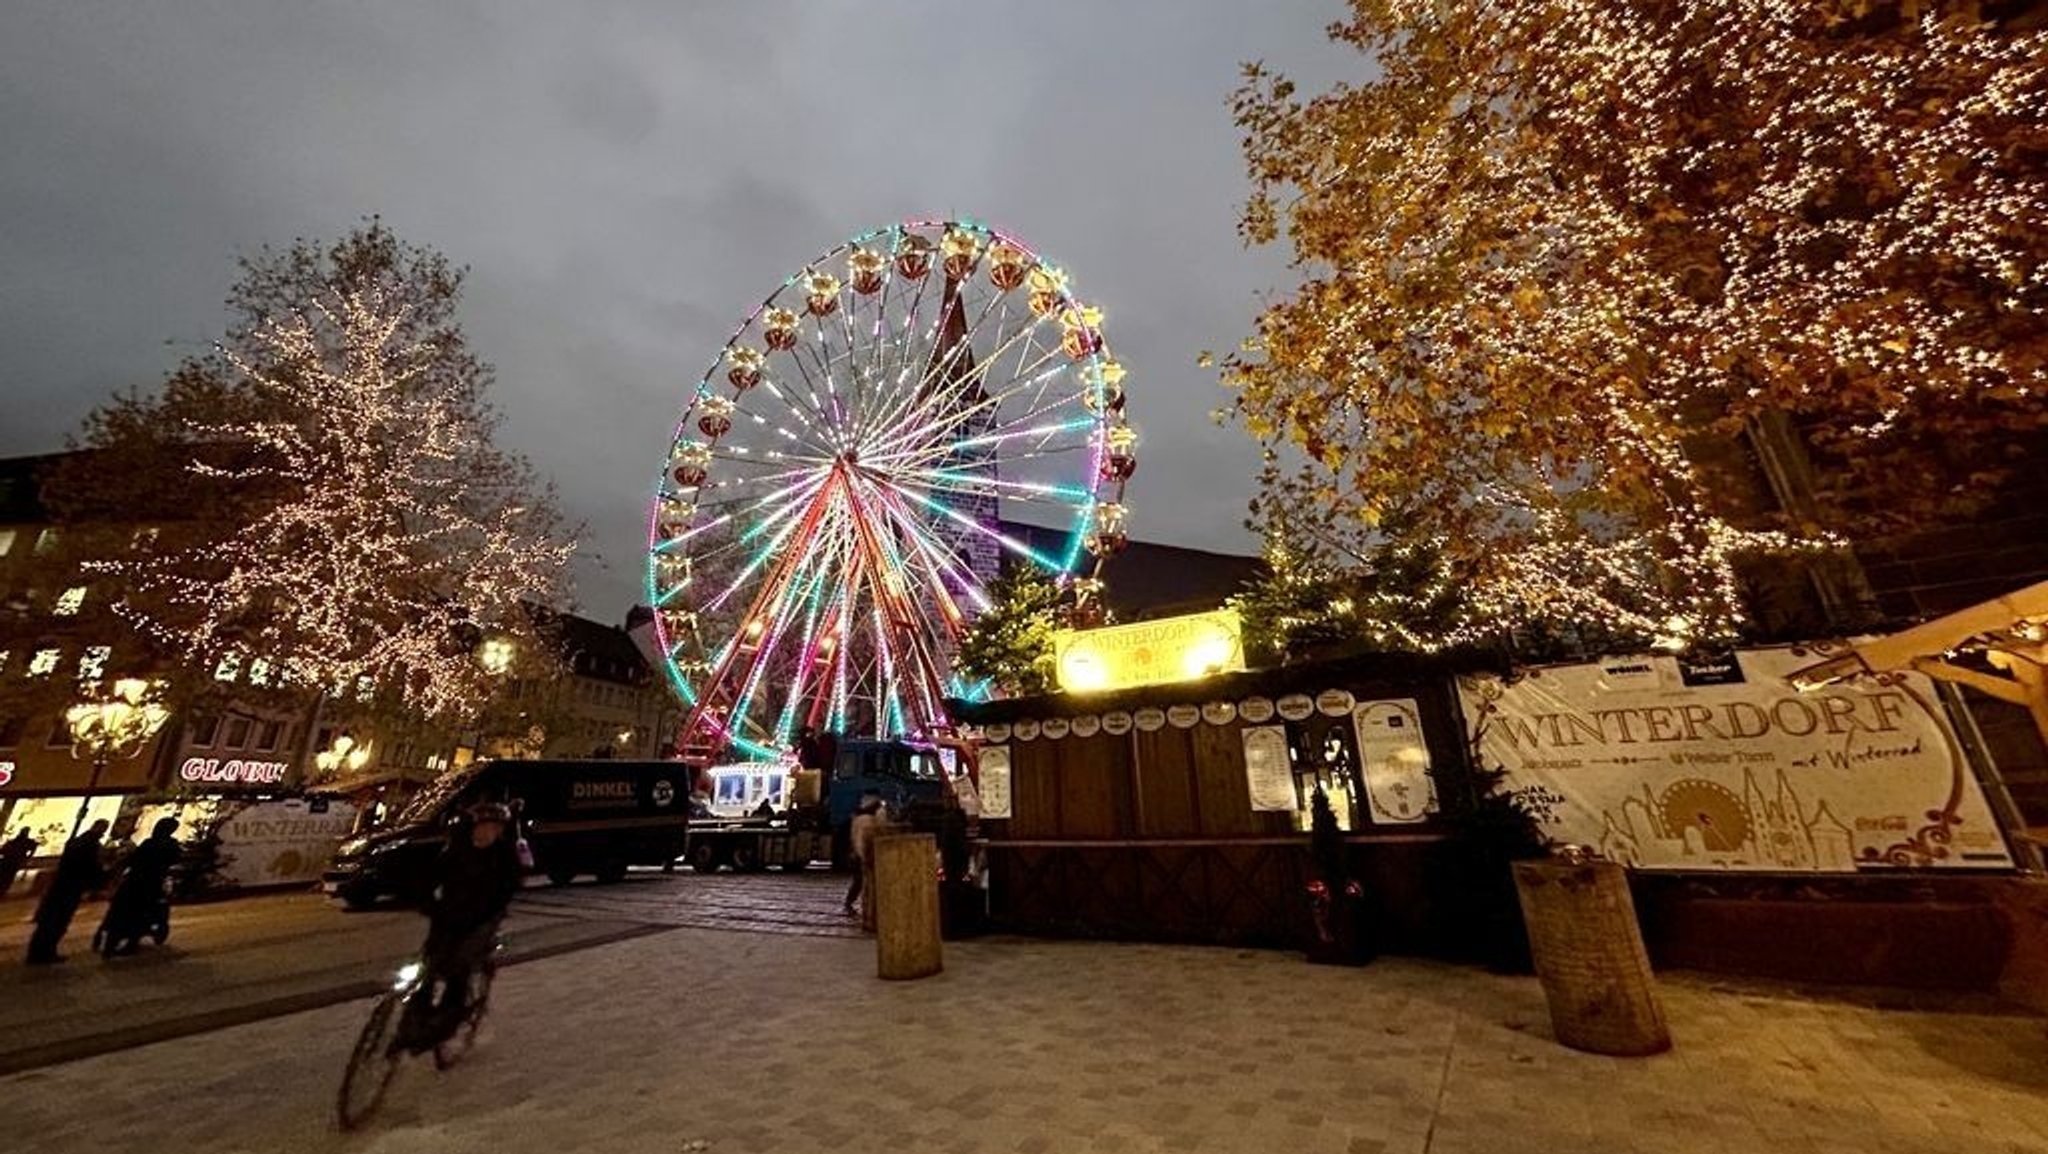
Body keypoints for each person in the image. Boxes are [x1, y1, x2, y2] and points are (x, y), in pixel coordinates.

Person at [401, 802, 521, 1054]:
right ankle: (413, 1022)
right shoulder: (457, 850)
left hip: (480, 920)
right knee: (429, 964)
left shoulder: (504, 857)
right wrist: (425, 900)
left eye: (495, 828)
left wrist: (483, 915)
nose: (488, 832)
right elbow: (431, 876)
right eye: (484, 826)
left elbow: (504, 893)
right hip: (449, 914)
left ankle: (446, 1020)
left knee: (459, 965)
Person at [26, 820, 108, 965]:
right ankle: (45, 953)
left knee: (49, 922)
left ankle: (37, 952)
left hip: (61, 886)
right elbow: (91, 868)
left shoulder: (76, 842)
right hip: (71, 888)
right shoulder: (91, 846)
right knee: (58, 921)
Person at [97, 818, 181, 957]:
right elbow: (173, 860)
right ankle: (131, 942)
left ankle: (112, 944)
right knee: (141, 915)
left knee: (123, 913)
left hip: (135, 882)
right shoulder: (171, 845)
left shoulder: (149, 843)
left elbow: (135, 859)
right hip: (151, 884)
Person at [843, 792, 884, 925]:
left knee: (859, 881)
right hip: (862, 855)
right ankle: (854, 905)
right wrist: (864, 856)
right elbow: (861, 840)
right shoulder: (867, 821)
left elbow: (853, 839)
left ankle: (851, 904)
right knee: (861, 881)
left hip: (857, 854)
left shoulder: (857, 819)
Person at [0, 829, 37, 899]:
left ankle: (2, 890)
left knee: (6, 876)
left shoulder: (15, 842)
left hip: (10, 861)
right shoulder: (24, 842)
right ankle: (2, 891)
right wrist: (27, 857)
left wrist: (27, 857)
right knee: (8, 877)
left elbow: (3, 850)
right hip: (13, 861)